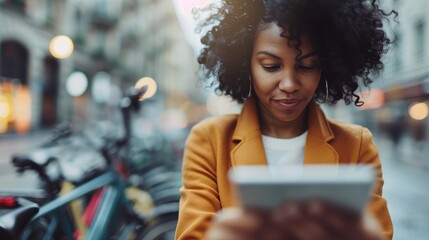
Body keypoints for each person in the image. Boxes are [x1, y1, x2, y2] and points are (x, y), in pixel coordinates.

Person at [175, 0, 397, 239]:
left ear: (326, 67)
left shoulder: (357, 145)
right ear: (245, 64)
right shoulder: (208, 140)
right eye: (271, 66)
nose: (290, 84)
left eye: (307, 66)